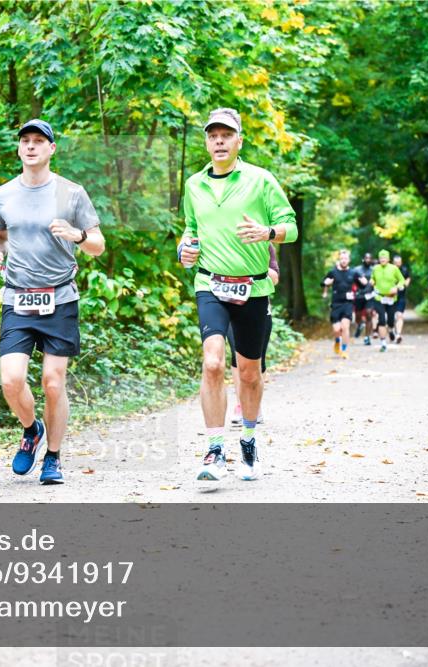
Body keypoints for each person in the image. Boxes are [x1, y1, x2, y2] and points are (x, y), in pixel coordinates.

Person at [178, 108, 298, 482]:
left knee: (248, 372)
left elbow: (291, 228)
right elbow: (190, 231)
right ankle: (215, 449)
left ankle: (247, 439)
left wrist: (267, 233)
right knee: (213, 362)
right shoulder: (194, 185)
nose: (218, 141)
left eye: (226, 135)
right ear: (206, 141)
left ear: (238, 141)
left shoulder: (261, 181)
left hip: (254, 287)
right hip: (210, 284)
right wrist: (185, 251)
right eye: (212, 135)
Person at [0, 119, 105, 484]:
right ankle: (31, 429)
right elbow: (0, 235)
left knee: (53, 382)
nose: (32, 146)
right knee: (11, 379)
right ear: (19, 148)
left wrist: (78, 234)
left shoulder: (71, 193)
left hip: (60, 298)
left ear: (52, 149)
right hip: (18, 298)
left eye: (40, 141)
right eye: (26, 141)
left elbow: (98, 246)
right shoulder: (2, 194)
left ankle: (53, 457)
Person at [229, 244, 279, 425]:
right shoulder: (225, 240)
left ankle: (255, 405)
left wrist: (257, 264)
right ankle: (241, 405)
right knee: (236, 357)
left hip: (260, 312)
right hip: (231, 308)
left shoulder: (266, 245)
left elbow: (275, 278)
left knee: (258, 360)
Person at [322, 249, 366, 359]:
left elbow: (362, 285)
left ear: (349, 260)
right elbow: (323, 282)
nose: (344, 260)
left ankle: (344, 350)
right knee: (337, 329)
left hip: (348, 304)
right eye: (341, 258)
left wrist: (364, 281)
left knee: (345, 327)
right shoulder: (333, 272)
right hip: (336, 304)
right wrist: (326, 284)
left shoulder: (353, 273)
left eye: (345, 258)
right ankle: (337, 341)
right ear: (339, 260)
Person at [370, 250, 406, 352]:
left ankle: (391, 329)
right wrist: (371, 281)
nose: (382, 259)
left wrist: (397, 287)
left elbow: (402, 280)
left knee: (390, 320)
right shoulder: (375, 268)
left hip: (391, 298)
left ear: (388, 259)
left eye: (384, 258)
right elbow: (372, 278)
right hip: (379, 298)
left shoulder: (394, 268)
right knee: (382, 319)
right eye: (381, 258)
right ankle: (383, 344)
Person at [352, 252, 375, 345]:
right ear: (363, 259)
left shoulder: (374, 270)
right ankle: (360, 325)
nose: (368, 260)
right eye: (366, 258)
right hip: (359, 296)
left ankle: (367, 337)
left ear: (372, 260)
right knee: (358, 316)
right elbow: (350, 280)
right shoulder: (356, 270)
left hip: (370, 295)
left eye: (369, 258)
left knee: (369, 314)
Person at [392, 254, 411, 343]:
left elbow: (408, 278)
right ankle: (391, 331)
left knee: (399, 315)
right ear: (393, 262)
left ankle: (398, 334)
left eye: (399, 263)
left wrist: (405, 283)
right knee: (390, 318)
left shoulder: (404, 270)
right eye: (396, 263)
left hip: (401, 297)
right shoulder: (389, 270)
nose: (397, 264)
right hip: (390, 297)